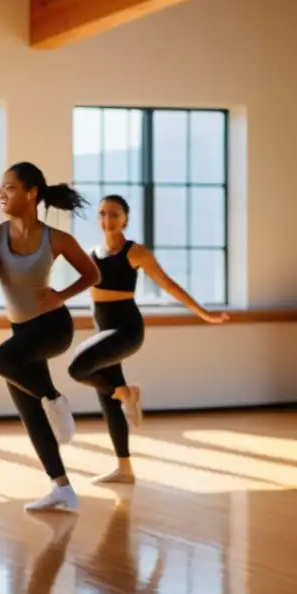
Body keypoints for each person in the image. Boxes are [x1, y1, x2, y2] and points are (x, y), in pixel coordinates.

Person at [0, 162, 100, 512]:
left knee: (1, 360)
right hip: (22, 333)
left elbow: (92, 273)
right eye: (0, 187)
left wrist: (62, 294)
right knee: (30, 413)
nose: (1, 193)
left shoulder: (55, 238)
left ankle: (55, 398)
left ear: (31, 193)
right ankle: (62, 488)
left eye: (10, 187)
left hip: (53, 328)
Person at [67, 194, 229, 484]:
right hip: (104, 332)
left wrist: (204, 313)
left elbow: (168, 284)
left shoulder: (135, 252)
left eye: (114, 214)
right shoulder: (91, 255)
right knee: (107, 397)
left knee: (78, 367)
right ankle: (124, 468)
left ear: (125, 219)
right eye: (103, 213)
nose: (108, 219)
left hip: (127, 331)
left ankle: (129, 393)